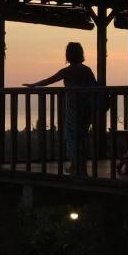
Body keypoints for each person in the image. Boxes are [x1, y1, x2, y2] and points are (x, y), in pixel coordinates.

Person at [25, 42, 96, 175]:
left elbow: (49, 80)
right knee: (82, 137)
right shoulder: (87, 70)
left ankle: (76, 166)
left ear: (68, 55)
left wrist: (34, 85)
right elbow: (95, 86)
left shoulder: (68, 71)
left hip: (74, 109)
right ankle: (80, 167)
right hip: (87, 109)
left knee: (72, 137)